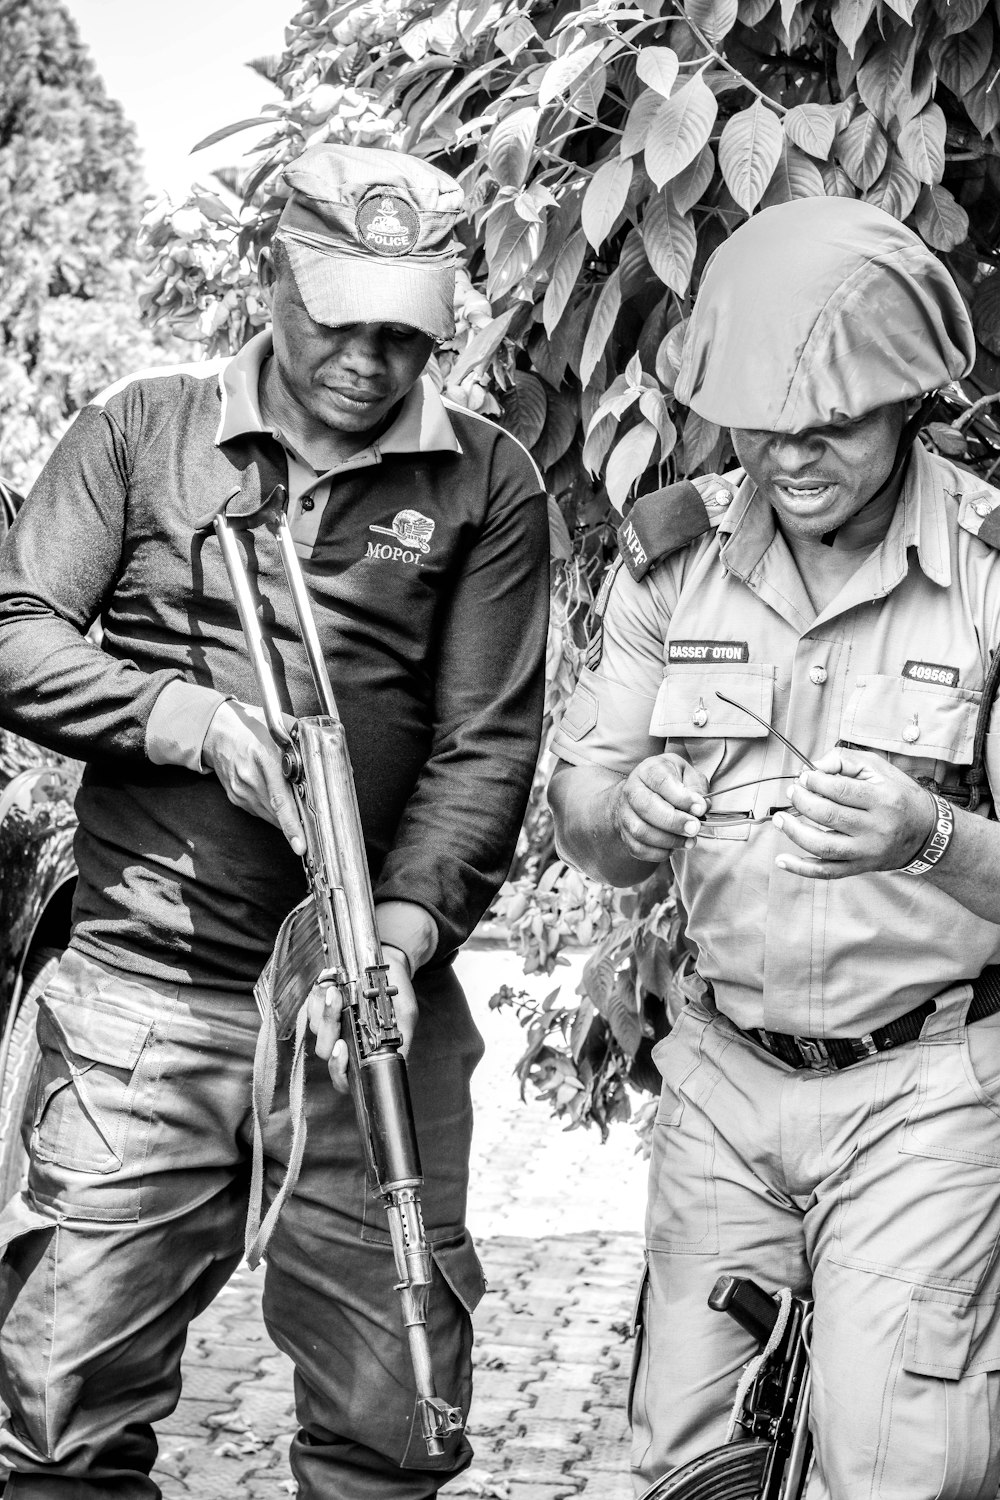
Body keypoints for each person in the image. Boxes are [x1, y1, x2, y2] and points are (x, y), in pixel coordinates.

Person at [0, 143, 549, 1499]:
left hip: (368, 1006)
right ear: (268, 274)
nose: (371, 358)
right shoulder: (141, 433)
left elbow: (487, 747)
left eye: (404, 330)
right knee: (58, 1427)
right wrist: (186, 722)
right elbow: (13, 634)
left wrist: (401, 937)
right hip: (148, 996)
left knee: (394, 1423)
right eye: (338, 317)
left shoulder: (487, 481)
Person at [549, 196, 1000, 1500]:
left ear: (909, 399)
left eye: (834, 426)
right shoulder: (673, 556)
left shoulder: (987, 573)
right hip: (722, 1082)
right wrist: (623, 820)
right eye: (764, 424)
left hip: (929, 1086)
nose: (792, 457)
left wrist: (930, 841)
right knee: (690, 1457)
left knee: (901, 1468)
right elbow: (584, 805)